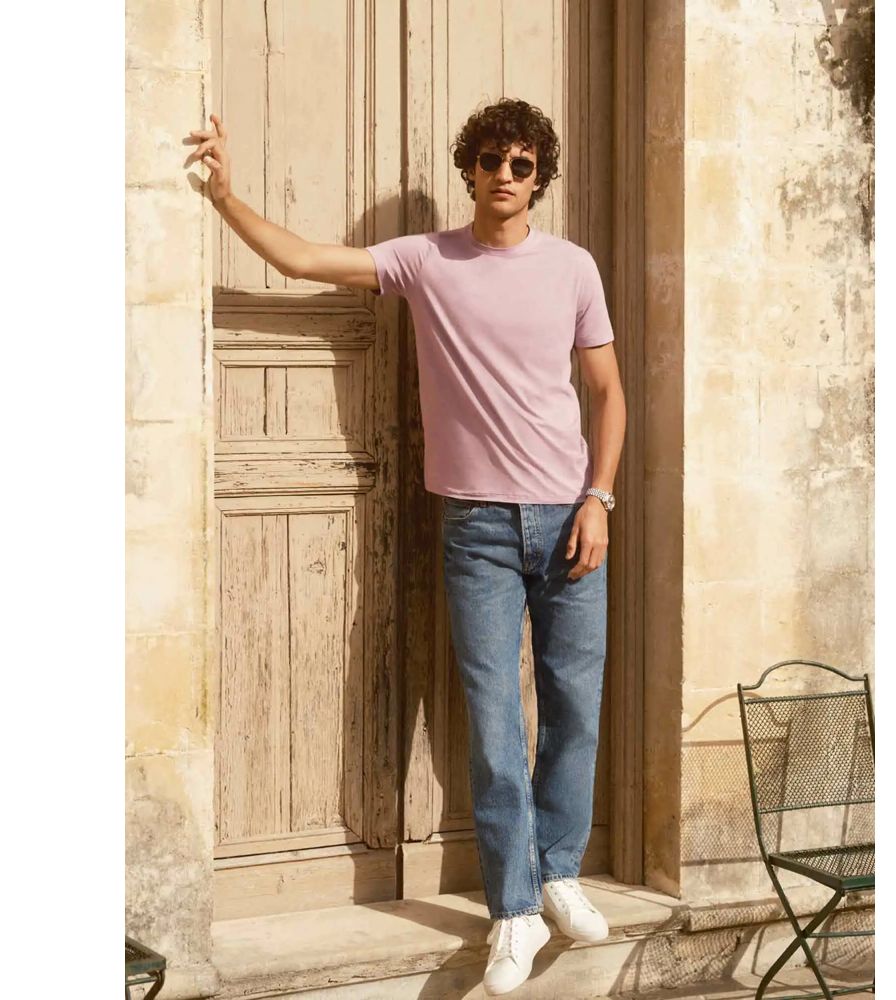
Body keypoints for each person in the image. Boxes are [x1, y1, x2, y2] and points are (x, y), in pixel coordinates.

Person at [188, 96, 627, 997]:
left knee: (575, 708)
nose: (505, 176)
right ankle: (513, 910)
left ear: (539, 178)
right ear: (470, 168)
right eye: (491, 160)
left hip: (570, 520)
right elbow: (304, 259)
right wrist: (225, 196)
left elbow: (609, 393)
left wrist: (600, 498)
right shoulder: (426, 259)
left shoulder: (573, 267)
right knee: (494, 722)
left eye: (522, 164)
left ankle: (558, 873)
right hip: (476, 526)